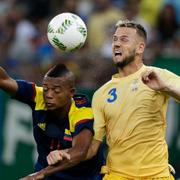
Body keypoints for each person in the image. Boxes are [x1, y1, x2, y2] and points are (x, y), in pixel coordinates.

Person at [48, 20, 180, 179]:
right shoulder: (101, 94)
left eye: (124, 39)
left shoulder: (157, 76)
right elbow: (91, 148)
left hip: (157, 175)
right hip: (117, 176)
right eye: (115, 39)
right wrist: (65, 153)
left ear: (140, 48)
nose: (117, 44)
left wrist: (166, 87)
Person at [0, 63, 103, 180]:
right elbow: (3, 80)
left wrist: (40, 173)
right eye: (45, 89)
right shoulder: (38, 97)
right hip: (49, 173)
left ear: (71, 92)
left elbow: (80, 151)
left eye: (56, 90)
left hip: (83, 176)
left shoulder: (82, 112)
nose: (49, 95)